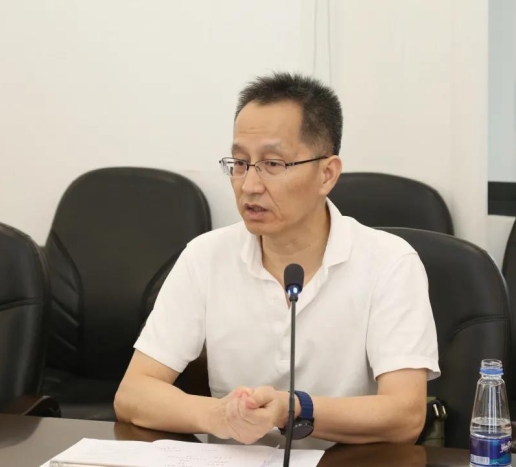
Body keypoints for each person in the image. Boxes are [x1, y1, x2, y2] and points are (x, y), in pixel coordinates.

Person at [114, 72, 440, 449]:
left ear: (327, 174)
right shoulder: (205, 256)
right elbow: (133, 394)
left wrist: (294, 409)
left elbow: (404, 416)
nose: (249, 185)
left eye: (273, 164)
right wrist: (220, 415)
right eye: (240, 163)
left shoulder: (390, 263)